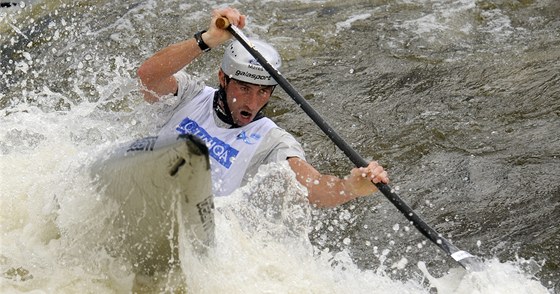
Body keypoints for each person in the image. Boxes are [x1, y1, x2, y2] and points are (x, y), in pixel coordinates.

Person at [137, 7, 389, 208]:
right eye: (244, 89)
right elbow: (148, 76)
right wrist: (209, 39)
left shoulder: (271, 141)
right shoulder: (190, 95)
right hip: (146, 186)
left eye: (263, 92)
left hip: (194, 217)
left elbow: (312, 188)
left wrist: (350, 187)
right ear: (223, 78)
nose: (253, 102)